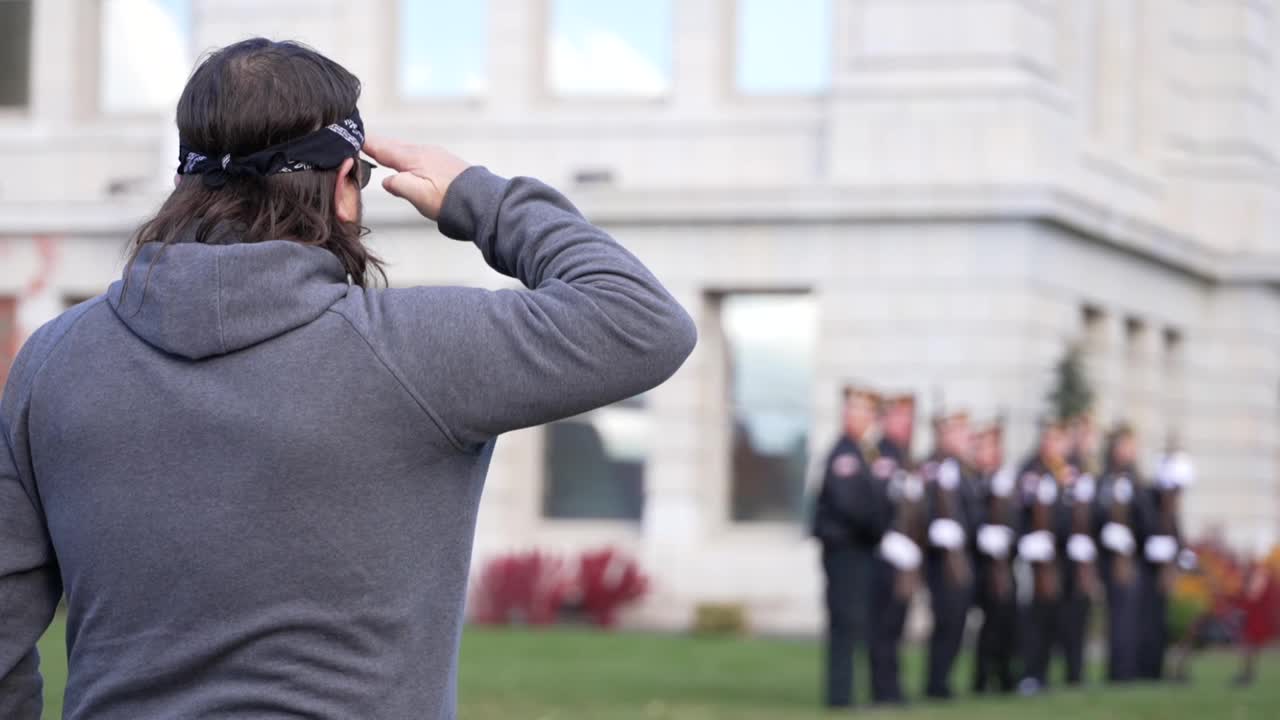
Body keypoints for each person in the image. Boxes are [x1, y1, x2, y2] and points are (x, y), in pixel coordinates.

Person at [0, 39, 696, 719]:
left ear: (183, 179)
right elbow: (642, 320)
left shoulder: (52, 362)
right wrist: (475, 195)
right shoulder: (413, 351)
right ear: (342, 184)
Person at [811, 386, 882, 708]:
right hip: (845, 551)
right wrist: (880, 529)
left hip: (858, 549)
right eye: (853, 409)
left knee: (853, 622)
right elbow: (851, 505)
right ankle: (840, 698)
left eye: (865, 411)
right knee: (844, 622)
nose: (858, 416)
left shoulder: (862, 451)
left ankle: (845, 694)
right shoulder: (844, 454)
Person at [866, 393, 924, 706]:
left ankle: (894, 688)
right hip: (883, 554)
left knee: (899, 624)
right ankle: (882, 690)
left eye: (909, 418)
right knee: (883, 626)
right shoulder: (876, 454)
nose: (906, 424)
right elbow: (871, 503)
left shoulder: (908, 457)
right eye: (900, 417)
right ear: (885, 420)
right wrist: (885, 537)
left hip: (906, 556)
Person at [921, 410, 978, 699]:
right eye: (954, 432)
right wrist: (935, 525)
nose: (961, 438)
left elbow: (974, 513)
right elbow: (917, 511)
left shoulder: (964, 473)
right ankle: (935, 682)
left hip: (961, 558)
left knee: (958, 621)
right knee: (944, 620)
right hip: (939, 561)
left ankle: (943, 680)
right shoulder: (929, 468)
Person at [1016, 418, 1075, 695]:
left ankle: (1044, 672)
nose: (1053, 445)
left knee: (1053, 618)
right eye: (1049, 439)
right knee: (1033, 618)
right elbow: (1018, 510)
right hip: (1033, 557)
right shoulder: (1030, 470)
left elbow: (1070, 517)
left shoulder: (1065, 474)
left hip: (1057, 556)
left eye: (1058, 440)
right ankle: (1029, 673)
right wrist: (1026, 537)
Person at [971, 419, 1019, 694]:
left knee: (1006, 622)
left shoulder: (1005, 481)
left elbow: (1017, 520)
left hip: (1005, 563)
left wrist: (1010, 534)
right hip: (983, 564)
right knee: (988, 625)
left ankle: (1004, 675)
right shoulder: (976, 481)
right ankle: (982, 678)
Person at [1096, 423, 1146, 682]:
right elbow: (1094, 514)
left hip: (1130, 556)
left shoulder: (1136, 481)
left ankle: (1128, 669)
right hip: (1107, 557)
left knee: (1129, 616)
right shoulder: (1103, 479)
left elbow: (1146, 518)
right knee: (1114, 616)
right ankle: (1115, 669)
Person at [1137, 448, 1193, 680]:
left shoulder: (1169, 507)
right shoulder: (1149, 499)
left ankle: (1158, 670)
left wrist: (1182, 553)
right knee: (1148, 621)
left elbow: (1175, 532)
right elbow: (1147, 530)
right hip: (1147, 573)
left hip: (1164, 574)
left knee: (1161, 622)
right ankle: (1146, 670)